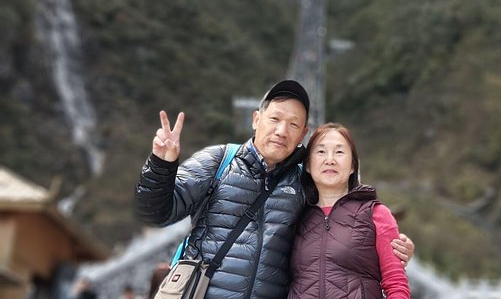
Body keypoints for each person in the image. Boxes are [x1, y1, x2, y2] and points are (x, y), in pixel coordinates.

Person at [135, 80, 414, 299]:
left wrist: (388, 247)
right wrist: (162, 164)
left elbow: (339, 221)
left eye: (293, 124)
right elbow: (157, 212)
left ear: (302, 134)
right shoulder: (218, 161)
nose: (282, 130)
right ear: (256, 119)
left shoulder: (304, 184)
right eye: (275, 119)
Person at [288, 123, 410, 299]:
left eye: (339, 152)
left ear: (353, 166)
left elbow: (396, 285)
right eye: (321, 152)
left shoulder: (375, 213)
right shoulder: (295, 215)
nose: (330, 159)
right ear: (307, 165)